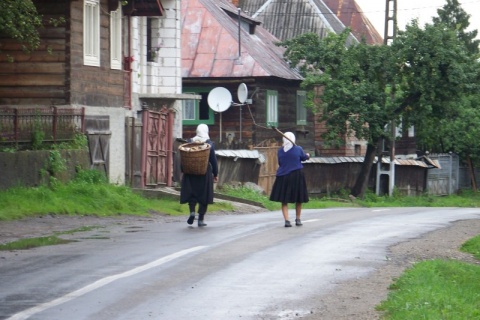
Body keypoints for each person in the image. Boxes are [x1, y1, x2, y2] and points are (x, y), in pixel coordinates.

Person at [180, 124, 219, 227]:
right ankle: (200, 219)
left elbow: (183, 157)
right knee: (204, 196)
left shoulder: (189, 142)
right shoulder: (209, 144)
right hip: (204, 173)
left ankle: (192, 212)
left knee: (192, 194)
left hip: (190, 173)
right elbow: (213, 160)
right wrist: (215, 173)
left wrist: (183, 169)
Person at [269, 132, 310, 227]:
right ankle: (298, 219)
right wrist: (307, 155)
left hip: (283, 176)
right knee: (298, 199)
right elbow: (304, 158)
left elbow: (280, 162)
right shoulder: (298, 149)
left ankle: (287, 221)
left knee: (284, 200)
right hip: (296, 175)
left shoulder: (280, 151)